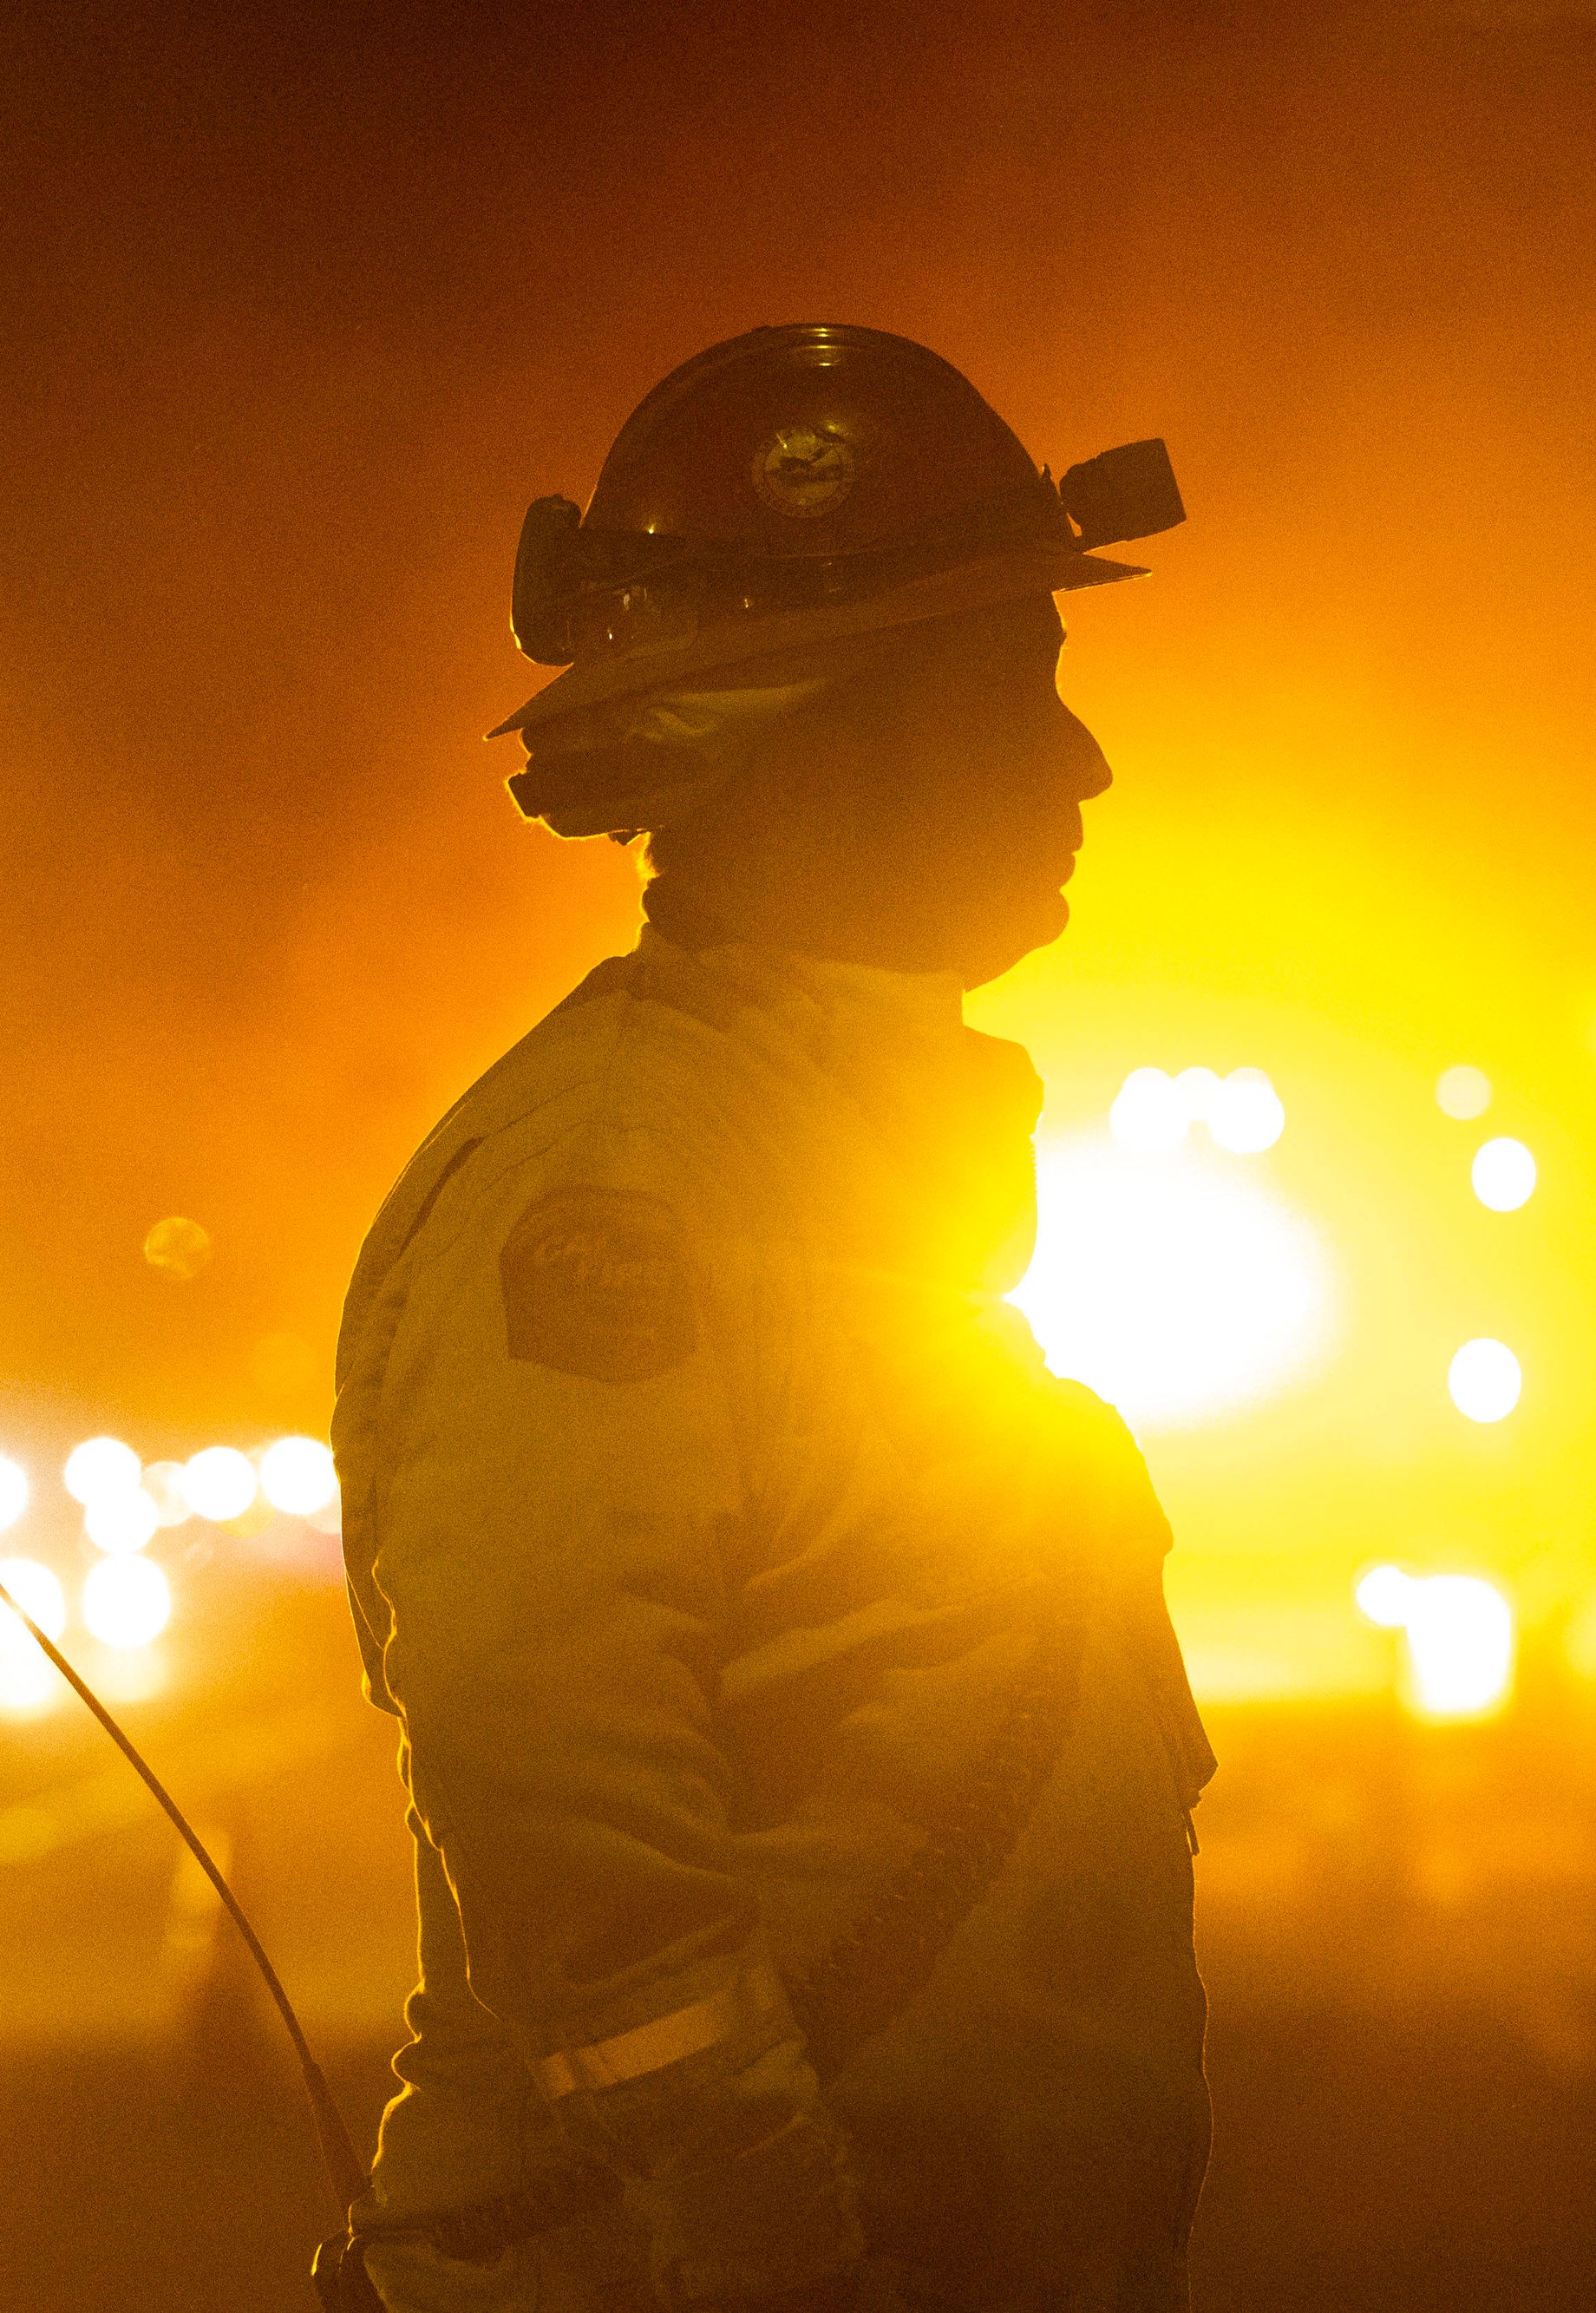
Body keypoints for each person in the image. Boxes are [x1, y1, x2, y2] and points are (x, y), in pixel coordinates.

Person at [322, 326, 1211, 2313]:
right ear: (824, 732)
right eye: (1016, 687)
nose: (1078, 761)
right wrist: (764, 2244)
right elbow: (557, 1775)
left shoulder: (824, 1163)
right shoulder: (629, 1186)